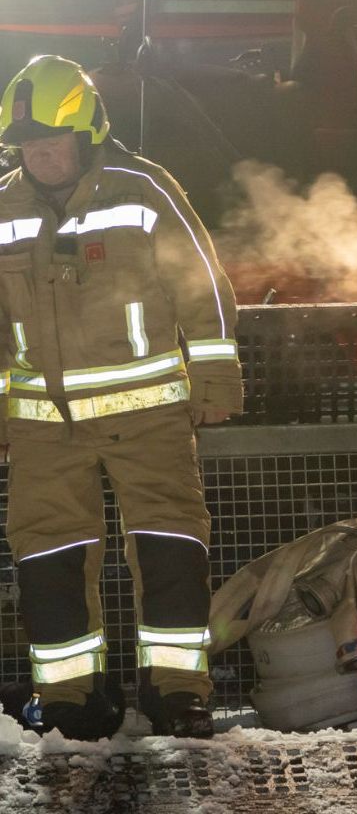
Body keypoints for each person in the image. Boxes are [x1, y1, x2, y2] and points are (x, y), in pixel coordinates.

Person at [0, 55, 242, 740]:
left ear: (88, 133)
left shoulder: (145, 190)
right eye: (27, 143)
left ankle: (178, 696)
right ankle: (70, 704)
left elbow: (202, 285)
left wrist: (216, 380)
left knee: (170, 550)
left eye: (52, 139)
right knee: (47, 563)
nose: (40, 154)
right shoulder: (1, 206)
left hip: (150, 418)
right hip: (43, 430)